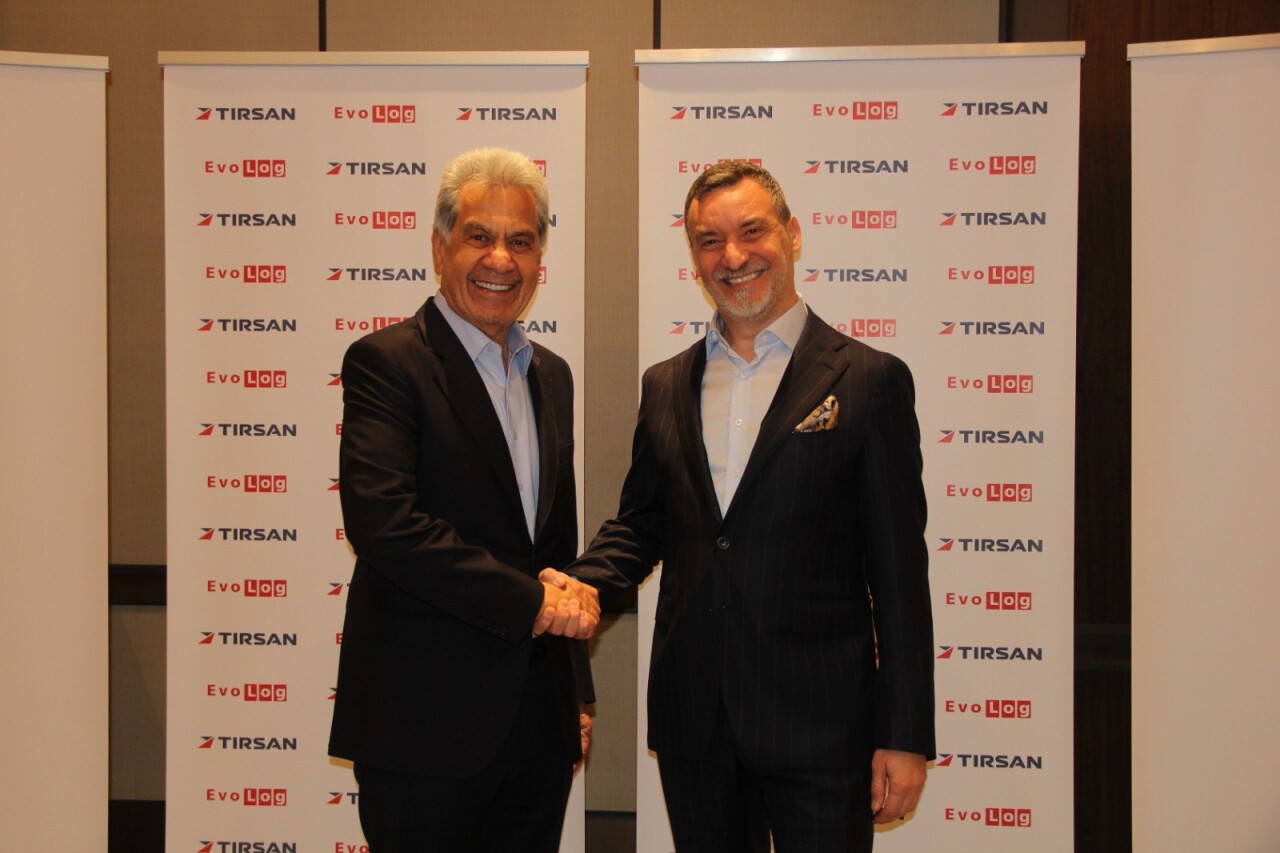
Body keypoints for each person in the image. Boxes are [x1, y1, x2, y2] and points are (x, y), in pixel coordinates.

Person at [563, 160, 934, 852]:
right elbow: (642, 524)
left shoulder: (869, 380)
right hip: (696, 723)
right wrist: (578, 585)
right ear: (694, 256)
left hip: (823, 728)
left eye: (751, 231)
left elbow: (899, 576)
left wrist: (905, 734)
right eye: (710, 240)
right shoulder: (665, 384)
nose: (732, 256)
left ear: (792, 234)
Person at [328, 147, 600, 852]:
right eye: (479, 236)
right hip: (423, 729)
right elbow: (386, 524)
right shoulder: (387, 363)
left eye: (521, 241)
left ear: (540, 258)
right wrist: (531, 602)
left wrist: (575, 690)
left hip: (537, 728)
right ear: (439, 247)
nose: (500, 259)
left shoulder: (552, 375)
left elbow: (553, 548)